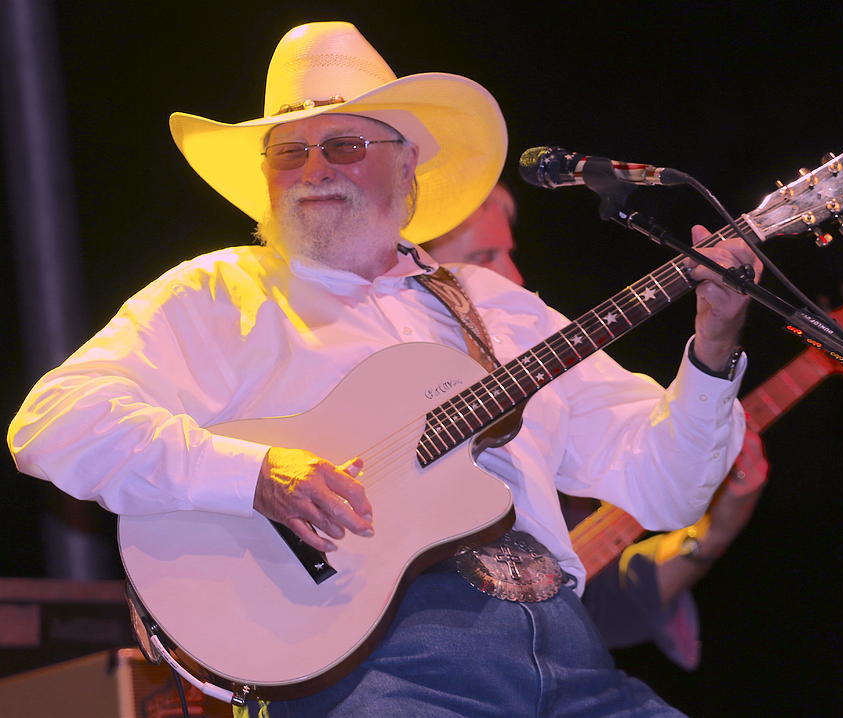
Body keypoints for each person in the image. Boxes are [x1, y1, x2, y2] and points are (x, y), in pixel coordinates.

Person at [8, 22, 762, 717]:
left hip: (572, 653)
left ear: (408, 164)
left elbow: (667, 488)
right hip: (381, 669)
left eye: (343, 146)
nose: (314, 170)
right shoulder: (220, 293)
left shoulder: (506, 312)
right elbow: (55, 422)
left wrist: (715, 346)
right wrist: (256, 475)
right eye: (289, 151)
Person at [423, 184, 770, 669]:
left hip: (546, 640)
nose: (514, 276)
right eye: (485, 258)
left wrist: (715, 344)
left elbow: (662, 485)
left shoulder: (527, 334)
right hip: (418, 643)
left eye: (510, 252)